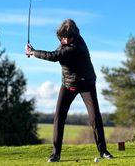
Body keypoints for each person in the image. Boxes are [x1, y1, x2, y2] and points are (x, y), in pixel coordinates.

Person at [25, 19, 113, 162]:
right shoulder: (65, 42)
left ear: (74, 35)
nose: (64, 40)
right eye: (62, 37)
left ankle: (103, 151)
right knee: (59, 116)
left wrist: (33, 52)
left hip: (86, 84)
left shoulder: (77, 46)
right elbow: (56, 52)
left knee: (94, 117)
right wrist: (34, 51)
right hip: (68, 84)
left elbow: (54, 56)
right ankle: (56, 154)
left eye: (67, 37)